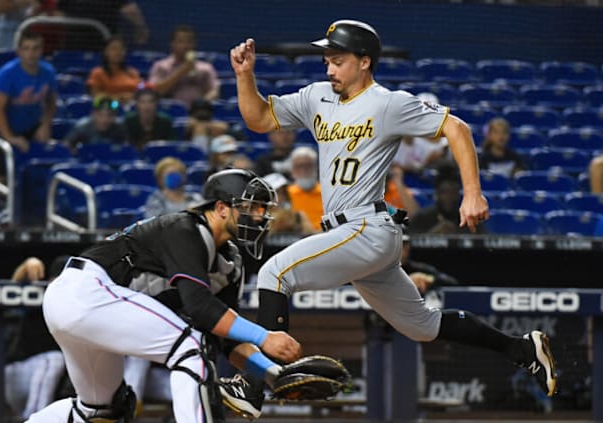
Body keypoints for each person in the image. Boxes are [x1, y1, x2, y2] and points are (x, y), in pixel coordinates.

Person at [226, 19, 557, 418]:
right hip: (356, 237)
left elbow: (457, 127)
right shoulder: (317, 97)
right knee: (420, 326)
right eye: (327, 59)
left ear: (365, 61)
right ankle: (522, 349)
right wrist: (246, 76)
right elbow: (259, 119)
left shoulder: (388, 103)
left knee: (274, 273)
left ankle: (257, 384)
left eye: (338, 60)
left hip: (366, 227)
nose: (329, 68)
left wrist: (472, 193)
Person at [25, 169, 302, 423]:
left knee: (100, 410)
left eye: (261, 209)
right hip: (86, 291)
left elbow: (225, 337)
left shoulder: (230, 263)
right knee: (193, 348)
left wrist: (273, 374)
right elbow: (201, 307)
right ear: (220, 208)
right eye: (249, 208)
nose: (257, 216)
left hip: (84, 305)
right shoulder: (185, 228)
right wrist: (265, 337)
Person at [5, 255, 68, 420]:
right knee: (53, 359)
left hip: (43, 381)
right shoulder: (40, 292)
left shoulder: (79, 301)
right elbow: (10, 290)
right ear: (52, 278)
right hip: (19, 370)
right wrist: (27, 265)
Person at [0, 31, 57, 155]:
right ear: (19, 51)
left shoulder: (48, 72)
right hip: (3, 129)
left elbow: (51, 102)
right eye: (26, 48)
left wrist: (45, 124)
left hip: (32, 127)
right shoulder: (6, 74)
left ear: (41, 50)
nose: (31, 54)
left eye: (35, 48)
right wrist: (10, 137)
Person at [149, 26, 220, 109]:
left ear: (194, 44)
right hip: (169, 111)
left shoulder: (206, 68)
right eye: (181, 42)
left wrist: (202, 104)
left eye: (189, 42)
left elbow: (214, 91)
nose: (185, 46)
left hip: (198, 113)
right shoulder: (161, 66)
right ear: (172, 44)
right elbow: (155, 92)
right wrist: (183, 71)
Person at [410, 167, 477, 235]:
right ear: (437, 194)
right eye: (445, 192)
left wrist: (456, 233)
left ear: (458, 194)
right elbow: (409, 242)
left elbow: (481, 240)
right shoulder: (422, 218)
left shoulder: (469, 220)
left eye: (453, 192)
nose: (449, 197)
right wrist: (434, 232)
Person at [57, 0, 149, 46]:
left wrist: (140, 28)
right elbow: (59, 13)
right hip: (73, 44)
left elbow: (130, 10)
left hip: (104, 43)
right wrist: (141, 29)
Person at [86, 36, 142, 103]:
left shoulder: (133, 72)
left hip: (132, 108)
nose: (118, 52)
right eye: (114, 49)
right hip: (108, 109)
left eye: (121, 49)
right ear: (105, 51)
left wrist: (132, 96)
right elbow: (95, 96)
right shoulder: (97, 73)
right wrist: (117, 98)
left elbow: (141, 90)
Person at [63, 96, 127, 150]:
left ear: (114, 116)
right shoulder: (82, 127)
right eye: (100, 115)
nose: (104, 120)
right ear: (93, 114)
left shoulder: (120, 128)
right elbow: (66, 146)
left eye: (109, 115)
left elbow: (128, 149)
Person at [124, 86, 176, 150]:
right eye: (142, 102)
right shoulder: (129, 121)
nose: (147, 106)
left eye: (151, 101)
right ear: (137, 104)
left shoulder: (165, 122)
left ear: (156, 104)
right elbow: (126, 146)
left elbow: (171, 146)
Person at [285, 146, 323, 231]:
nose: (304, 170)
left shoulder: (327, 193)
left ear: (316, 167)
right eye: (299, 166)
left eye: (308, 165)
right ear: (292, 170)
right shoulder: (285, 194)